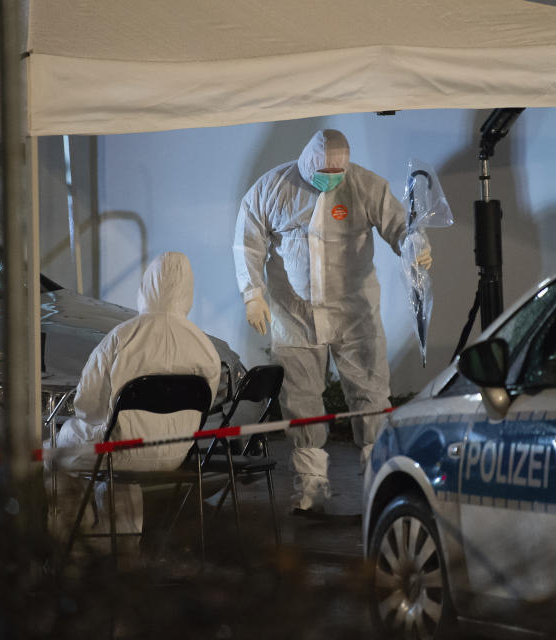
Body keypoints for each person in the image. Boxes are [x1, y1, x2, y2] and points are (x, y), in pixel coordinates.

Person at [233, 129, 432, 514]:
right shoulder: (273, 187)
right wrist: (252, 294)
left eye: (336, 170)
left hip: (355, 313)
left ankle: (378, 486)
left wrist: (414, 245)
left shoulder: (364, 184)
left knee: (371, 397)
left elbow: (399, 225)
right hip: (295, 315)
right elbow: (247, 241)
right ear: (308, 161)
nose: (330, 177)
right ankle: (310, 489)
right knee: (301, 400)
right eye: (323, 170)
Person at [51, 251, 220, 554]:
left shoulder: (122, 337)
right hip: (177, 454)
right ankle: (126, 550)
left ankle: (77, 546)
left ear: (146, 287)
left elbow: (87, 404)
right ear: (188, 291)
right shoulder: (205, 346)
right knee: (118, 454)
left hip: (122, 451)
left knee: (57, 453)